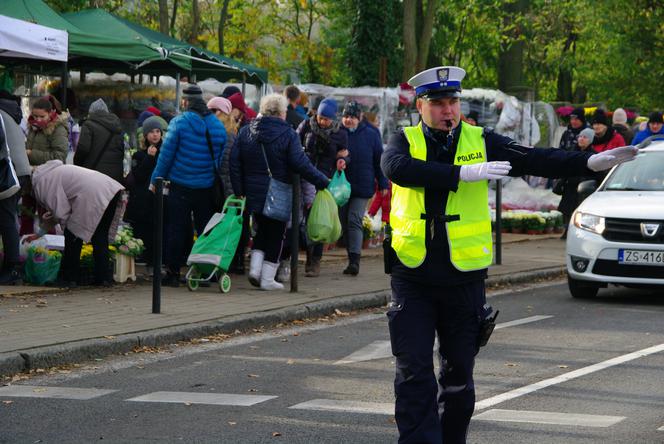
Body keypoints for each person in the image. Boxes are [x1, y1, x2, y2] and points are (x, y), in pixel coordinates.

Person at [380, 65, 638, 443]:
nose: (448, 110)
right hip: (413, 276)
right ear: (421, 106)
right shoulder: (404, 141)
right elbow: (396, 169)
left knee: (458, 379)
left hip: (463, 278)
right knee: (413, 373)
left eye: (453, 101)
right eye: (438, 103)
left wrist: (586, 162)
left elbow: (534, 158)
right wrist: (460, 174)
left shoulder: (480, 139)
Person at [230, 94, 329, 290]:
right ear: (281, 113)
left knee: (260, 230)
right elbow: (300, 163)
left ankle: (255, 271)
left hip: (253, 191)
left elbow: (234, 162)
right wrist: (322, 180)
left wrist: (239, 190)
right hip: (279, 191)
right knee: (276, 234)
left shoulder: (246, 131)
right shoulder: (288, 133)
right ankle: (267, 279)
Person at [149, 83, 226, 287]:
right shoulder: (218, 127)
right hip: (206, 187)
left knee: (176, 229)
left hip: (180, 185)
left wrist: (155, 179)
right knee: (205, 231)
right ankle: (204, 273)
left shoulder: (179, 123)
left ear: (185, 101)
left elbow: (166, 156)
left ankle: (173, 273)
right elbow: (218, 158)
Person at [25, 160, 124, 287]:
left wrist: (69, 229)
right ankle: (103, 278)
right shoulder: (49, 173)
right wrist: (39, 234)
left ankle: (69, 278)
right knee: (100, 235)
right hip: (110, 188)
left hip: (92, 193)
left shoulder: (42, 183)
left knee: (72, 234)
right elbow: (58, 210)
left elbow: (61, 212)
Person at [297, 97, 349, 277]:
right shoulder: (306, 126)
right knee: (302, 219)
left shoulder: (340, 133)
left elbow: (345, 153)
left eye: (326, 119)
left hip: (324, 180)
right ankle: (302, 254)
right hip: (305, 177)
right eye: (320, 117)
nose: (323, 122)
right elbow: (295, 144)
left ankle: (314, 260)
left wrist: (342, 160)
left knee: (319, 220)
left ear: (333, 118)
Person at [340, 101, 388, 275]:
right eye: (346, 116)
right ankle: (350, 255)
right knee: (344, 222)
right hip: (341, 186)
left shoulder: (371, 134)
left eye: (352, 117)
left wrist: (382, 182)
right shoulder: (338, 132)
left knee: (354, 220)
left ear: (359, 117)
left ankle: (355, 261)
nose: (348, 120)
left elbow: (378, 160)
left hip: (362, 184)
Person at [208, 95, 246, 275]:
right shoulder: (223, 131)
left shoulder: (228, 134)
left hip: (225, 187)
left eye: (214, 111)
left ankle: (229, 261)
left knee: (226, 224)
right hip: (220, 185)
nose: (211, 115)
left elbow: (227, 166)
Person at [124, 116, 167, 274]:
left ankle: (157, 263)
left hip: (160, 198)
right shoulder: (139, 155)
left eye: (158, 131)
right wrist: (149, 157)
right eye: (151, 132)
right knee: (146, 231)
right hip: (144, 200)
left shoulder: (165, 152)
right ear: (145, 135)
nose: (155, 135)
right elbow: (139, 175)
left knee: (159, 230)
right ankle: (148, 262)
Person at [0, 95, 30, 284]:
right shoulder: (7, 113)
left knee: (6, 219)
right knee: (6, 218)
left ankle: (12, 268)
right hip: (18, 170)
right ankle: (10, 266)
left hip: (8, 173)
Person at [556, 128, 597, 239]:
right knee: (567, 210)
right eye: (580, 137)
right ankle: (567, 230)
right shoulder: (571, 152)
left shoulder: (593, 155)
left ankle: (578, 231)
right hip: (570, 185)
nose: (581, 139)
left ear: (590, 140)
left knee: (579, 210)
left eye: (585, 137)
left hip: (583, 187)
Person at [74, 99, 125, 184]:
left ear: (91, 113)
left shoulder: (88, 125)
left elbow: (83, 149)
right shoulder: (117, 126)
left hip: (95, 176)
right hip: (115, 178)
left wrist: (77, 166)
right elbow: (121, 152)